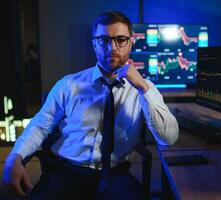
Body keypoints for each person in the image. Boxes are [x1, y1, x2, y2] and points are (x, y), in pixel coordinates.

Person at [2, 11, 179, 200]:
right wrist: (14, 158)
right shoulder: (69, 84)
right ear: (94, 44)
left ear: (130, 42)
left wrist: (143, 88)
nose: (112, 47)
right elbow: (39, 126)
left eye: (120, 39)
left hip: (115, 173)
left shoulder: (145, 88)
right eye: (104, 40)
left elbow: (168, 138)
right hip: (67, 171)